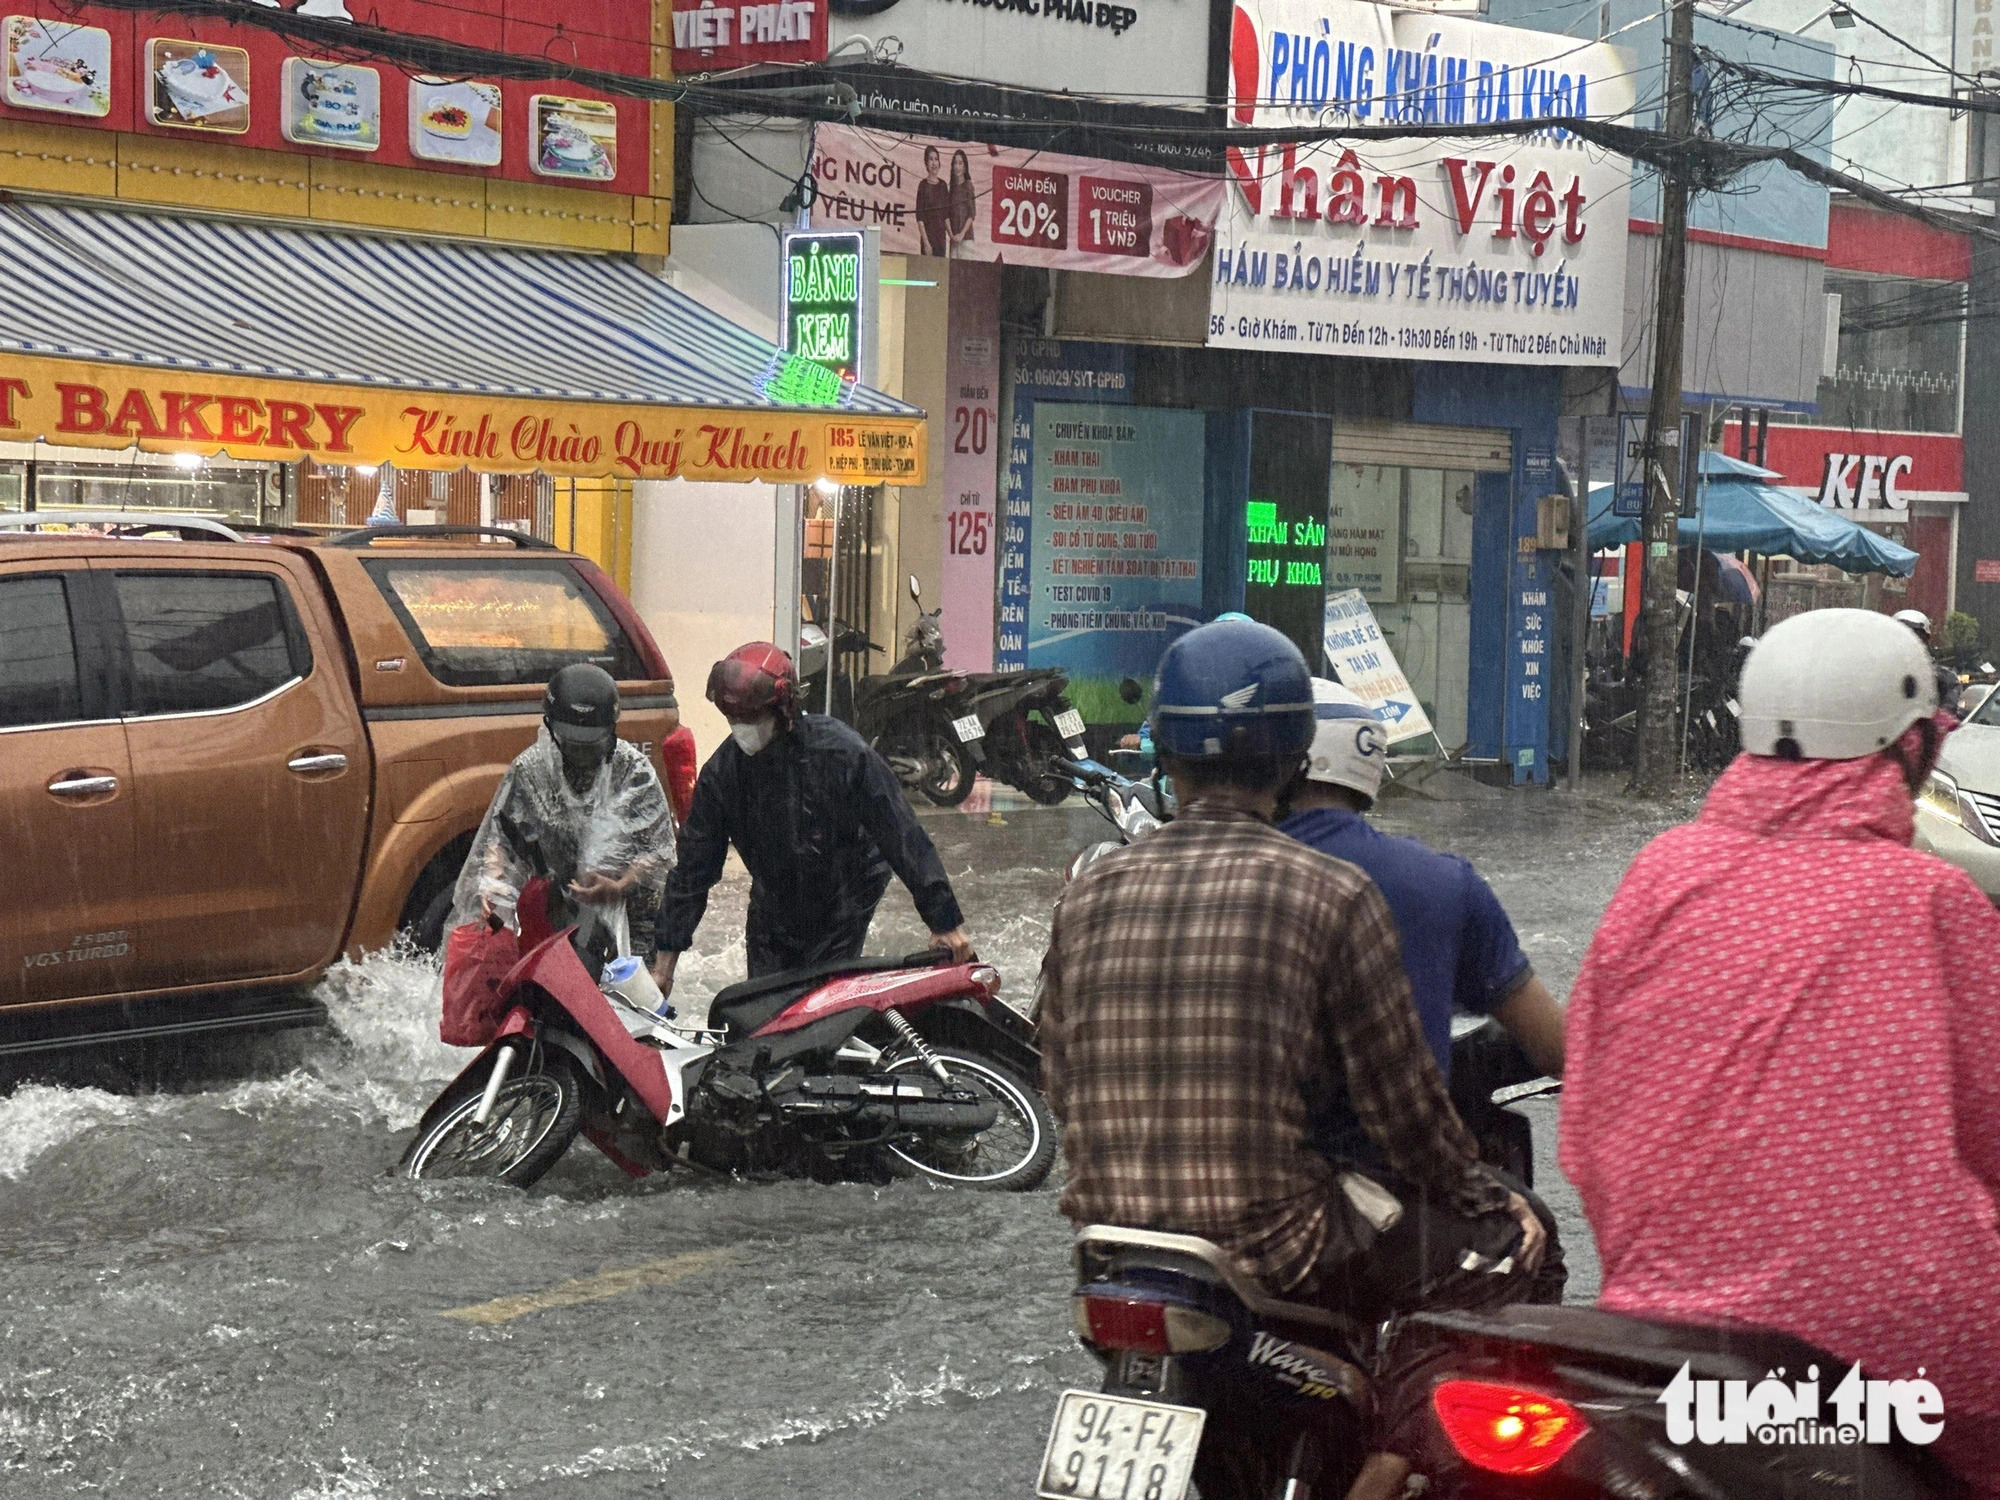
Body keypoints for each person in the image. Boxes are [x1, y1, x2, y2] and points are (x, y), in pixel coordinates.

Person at [1562, 608, 1999, 1491]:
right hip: (1904, 1356)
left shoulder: (1662, 870)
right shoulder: (1930, 900)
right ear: (1909, 747)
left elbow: (1590, 1104)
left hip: (1659, 1338)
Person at [1038, 620, 1544, 1330]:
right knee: (1520, 1245)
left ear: (1165, 752)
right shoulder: (1332, 893)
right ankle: (1392, 1440)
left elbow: (1058, 1076)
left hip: (1110, 1251)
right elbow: (1403, 1114)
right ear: (1295, 760)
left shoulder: (1088, 890)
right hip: (1281, 1251)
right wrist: (1489, 1201)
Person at [1278, 677, 1567, 1301]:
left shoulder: (1193, 869)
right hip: (1352, 1197)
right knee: (1532, 1237)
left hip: (1175, 1205)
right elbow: (1555, 1048)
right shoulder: (1437, 883)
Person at [651, 642, 973, 993]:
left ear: (782, 710)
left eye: (751, 718)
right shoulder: (723, 775)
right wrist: (664, 966)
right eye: (733, 720)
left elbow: (901, 833)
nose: (741, 728)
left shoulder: (842, 753)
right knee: (764, 1006)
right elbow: (693, 871)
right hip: (775, 901)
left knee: (821, 1004)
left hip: (847, 891)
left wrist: (944, 921)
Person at [450, 662, 676, 954]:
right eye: (572, 745)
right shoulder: (530, 771)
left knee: (621, 993)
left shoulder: (634, 773)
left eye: (591, 745)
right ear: (550, 728)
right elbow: (502, 839)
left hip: (630, 922)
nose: (581, 755)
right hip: (554, 915)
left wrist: (620, 886)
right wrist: (493, 889)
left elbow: (658, 852)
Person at [1895, 607, 1963, 715]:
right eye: (1903, 636)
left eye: (1917, 637)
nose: (1911, 642)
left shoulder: (1944, 678)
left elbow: (1947, 714)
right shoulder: (1879, 674)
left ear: (1926, 641)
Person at [914, 145, 950, 258]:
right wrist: (926, 243)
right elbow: (919, 218)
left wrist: (952, 235)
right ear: (926, 164)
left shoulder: (943, 185)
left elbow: (946, 215)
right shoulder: (923, 185)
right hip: (928, 239)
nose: (934, 163)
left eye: (936, 159)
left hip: (941, 240)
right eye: (931, 159)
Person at [946, 148, 976, 256]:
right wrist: (951, 236)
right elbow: (946, 215)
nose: (957, 166)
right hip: (953, 241)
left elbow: (972, 214)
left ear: (964, 167)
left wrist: (962, 234)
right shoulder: (951, 189)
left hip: (967, 240)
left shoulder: (968, 186)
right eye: (955, 163)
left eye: (960, 163)